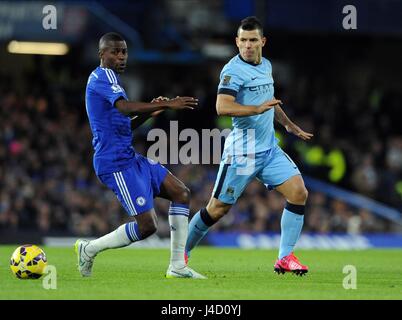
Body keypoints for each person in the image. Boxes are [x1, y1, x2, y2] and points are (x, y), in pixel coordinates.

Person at [185, 17, 313, 275]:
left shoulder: (266, 65)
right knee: (217, 209)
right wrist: (254, 109)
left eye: (253, 40)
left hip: (268, 150)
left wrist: (288, 124)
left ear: (262, 42)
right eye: (243, 40)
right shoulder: (232, 71)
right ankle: (180, 254)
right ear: (236, 42)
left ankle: (285, 257)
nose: (247, 45)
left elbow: (270, 102)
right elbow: (222, 106)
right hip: (242, 153)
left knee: (299, 192)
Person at [76, 32, 206, 279]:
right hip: (114, 163)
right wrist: (168, 105)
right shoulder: (101, 77)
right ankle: (89, 249)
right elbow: (124, 108)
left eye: (124, 51)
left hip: (130, 157)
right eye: (115, 52)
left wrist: (151, 110)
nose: (121, 56)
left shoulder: (111, 80)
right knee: (147, 227)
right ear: (102, 54)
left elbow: (126, 124)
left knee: (181, 193)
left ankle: (177, 266)